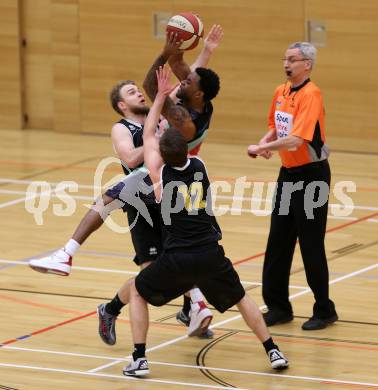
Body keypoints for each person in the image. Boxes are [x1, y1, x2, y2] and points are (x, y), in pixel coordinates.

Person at [28, 26, 224, 337]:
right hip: (157, 189)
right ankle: (193, 305)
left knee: (109, 198)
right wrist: (199, 51)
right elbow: (187, 74)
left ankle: (67, 255)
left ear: (196, 94)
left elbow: (160, 83)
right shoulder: (179, 107)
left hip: (160, 181)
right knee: (157, 265)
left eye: (187, 84)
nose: (183, 80)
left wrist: (167, 52)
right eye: (130, 93)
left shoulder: (180, 119)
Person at [117, 65, 289, 377]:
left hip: (178, 257)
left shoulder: (159, 176)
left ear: (160, 154)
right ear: (186, 150)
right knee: (240, 297)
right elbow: (172, 139)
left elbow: (149, 132)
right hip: (210, 253)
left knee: (139, 292)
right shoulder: (199, 165)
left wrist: (159, 96)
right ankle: (272, 349)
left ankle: (139, 358)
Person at [247, 42, 338, 331]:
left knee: (310, 244)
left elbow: (297, 139)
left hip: (312, 176)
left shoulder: (312, 94)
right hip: (288, 174)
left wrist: (267, 146)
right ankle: (278, 307)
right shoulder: (280, 91)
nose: (286, 64)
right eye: (285, 59)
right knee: (278, 241)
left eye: (293, 60)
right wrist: (264, 144)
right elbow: (277, 126)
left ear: (307, 64)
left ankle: (324, 310)